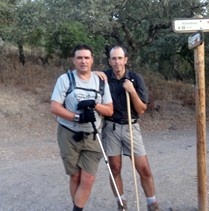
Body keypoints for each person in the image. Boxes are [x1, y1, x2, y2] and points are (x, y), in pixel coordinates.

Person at [50, 44, 113, 211]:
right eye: (79, 57)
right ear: (74, 60)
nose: (83, 61)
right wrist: (78, 117)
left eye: (86, 57)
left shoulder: (100, 81)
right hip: (69, 135)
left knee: (88, 178)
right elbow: (55, 107)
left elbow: (109, 110)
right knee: (75, 176)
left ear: (92, 60)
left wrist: (94, 106)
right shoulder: (65, 80)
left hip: (93, 136)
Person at [101, 45, 160, 211]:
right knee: (115, 169)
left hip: (131, 127)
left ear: (125, 60)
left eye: (120, 58)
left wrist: (132, 91)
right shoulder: (104, 77)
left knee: (144, 169)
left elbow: (141, 110)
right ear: (109, 61)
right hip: (110, 128)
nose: (117, 62)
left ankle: (152, 204)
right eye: (113, 58)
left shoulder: (135, 78)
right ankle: (122, 204)